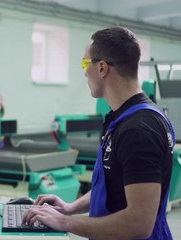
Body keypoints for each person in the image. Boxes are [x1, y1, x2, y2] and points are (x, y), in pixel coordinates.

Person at [22, 27, 175, 239]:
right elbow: (115, 184)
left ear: (102, 68)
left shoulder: (139, 129)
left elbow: (139, 223)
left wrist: (64, 222)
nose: (84, 71)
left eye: (86, 63)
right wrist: (70, 208)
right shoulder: (123, 118)